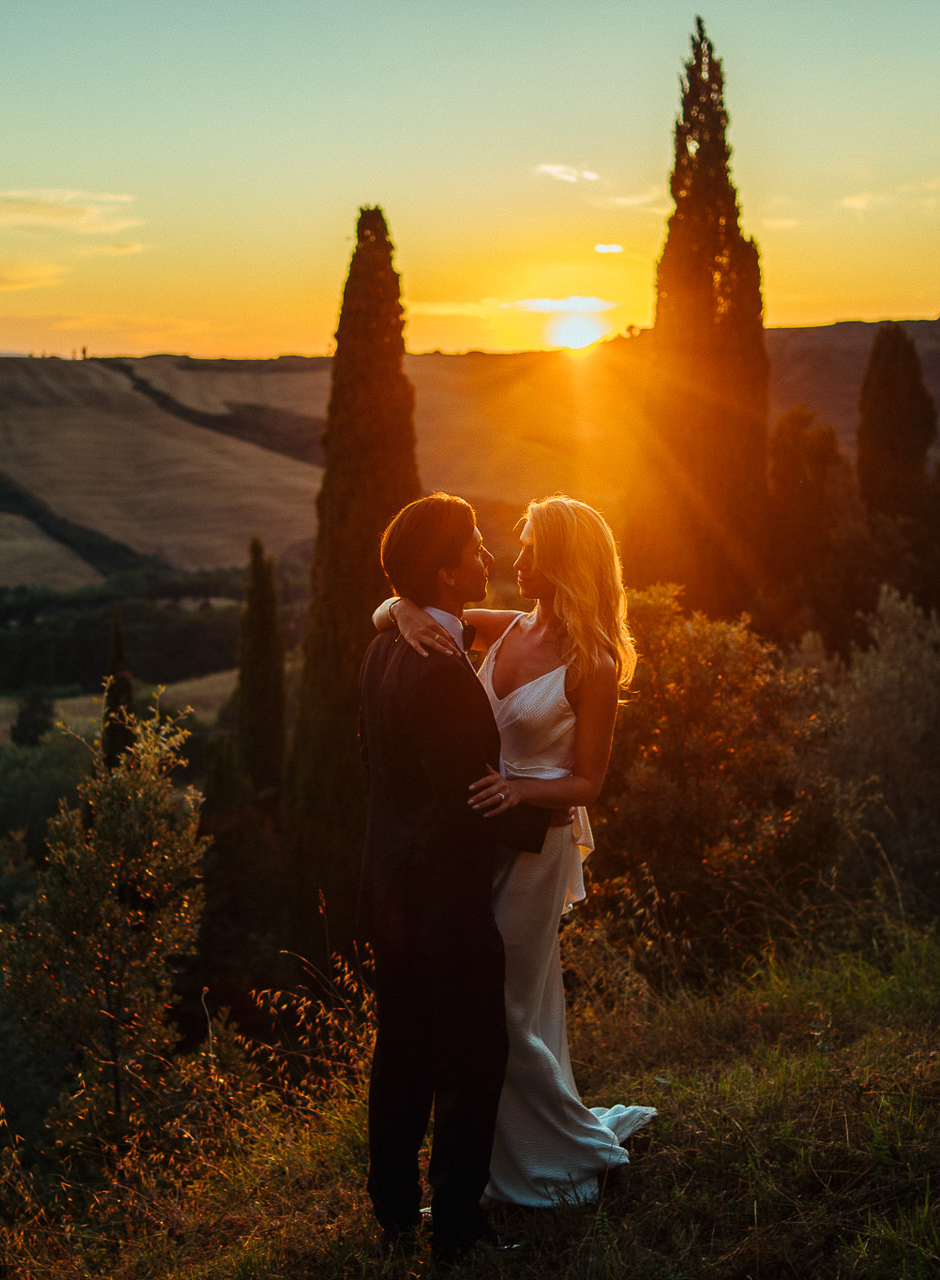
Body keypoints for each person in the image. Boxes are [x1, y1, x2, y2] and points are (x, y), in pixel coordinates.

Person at [375, 493, 655, 1207]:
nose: (514, 558)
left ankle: (545, 1155)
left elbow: (589, 782)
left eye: (530, 549)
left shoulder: (594, 661)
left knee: (499, 1005)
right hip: (477, 841)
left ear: (562, 560)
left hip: (536, 848)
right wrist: (401, 611)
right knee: (489, 1001)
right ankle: (494, 1159)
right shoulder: (507, 625)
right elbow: (400, 609)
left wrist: (516, 790)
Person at [357, 493, 552, 1263]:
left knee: (401, 1048)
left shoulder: (385, 646)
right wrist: (547, 819)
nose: (489, 557)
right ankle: (459, 1232)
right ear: (444, 571)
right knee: (472, 1058)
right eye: (475, 546)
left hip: (391, 889)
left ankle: (393, 1211)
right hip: (443, 899)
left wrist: (395, 608)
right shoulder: (437, 669)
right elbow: (466, 797)